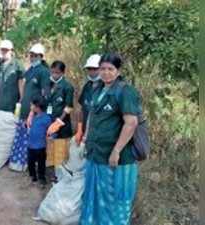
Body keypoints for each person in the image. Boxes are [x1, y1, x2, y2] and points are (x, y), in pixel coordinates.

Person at [80, 53, 141, 225]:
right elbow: (92, 115)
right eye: (103, 69)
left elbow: (131, 123)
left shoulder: (125, 91)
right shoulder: (98, 88)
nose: (106, 72)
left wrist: (116, 151)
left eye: (110, 69)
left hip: (116, 158)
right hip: (96, 154)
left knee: (114, 199)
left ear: (118, 71)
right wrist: (86, 138)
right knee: (95, 197)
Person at [9, 43, 50, 171]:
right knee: (21, 136)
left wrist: (35, 111)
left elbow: (45, 94)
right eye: (31, 55)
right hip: (24, 109)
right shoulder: (30, 70)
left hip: (34, 112)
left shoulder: (44, 72)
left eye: (35, 55)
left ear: (41, 56)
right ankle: (19, 163)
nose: (32, 57)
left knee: (31, 139)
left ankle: (30, 165)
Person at [45, 60, 75, 182]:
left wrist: (58, 122)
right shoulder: (49, 84)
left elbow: (69, 107)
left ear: (62, 73)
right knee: (50, 147)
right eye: (52, 72)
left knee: (60, 149)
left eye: (57, 73)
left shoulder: (67, 87)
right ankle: (52, 173)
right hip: (49, 120)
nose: (54, 75)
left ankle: (60, 176)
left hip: (61, 123)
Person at [0, 40, 25, 115]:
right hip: (1, 105)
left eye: (6, 50)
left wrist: (21, 100)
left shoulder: (17, 65)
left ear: (11, 51)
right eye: (2, 50)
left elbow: (21, 84)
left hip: (12, 105)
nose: (4, 52)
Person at [75, 54, 101, 145]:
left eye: (95, 69)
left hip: (99, 136)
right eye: (89, 69)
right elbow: (81, 109)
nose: (92, 72)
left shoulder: (106, 88)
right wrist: (79, 130)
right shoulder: (87, 86)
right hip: (85, 134)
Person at [27, 96, 52, 187]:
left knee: (41, 163)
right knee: (31, 162)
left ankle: (41, 177)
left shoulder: (46, 118)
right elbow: (28, 126)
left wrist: (51, 136)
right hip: (30, 145)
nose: (31, 107)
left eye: (32, 105)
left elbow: (50, 131)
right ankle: (33, 176)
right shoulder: (32, 116)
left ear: (37, 107)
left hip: (41, 146)